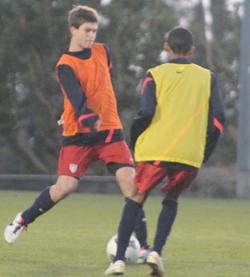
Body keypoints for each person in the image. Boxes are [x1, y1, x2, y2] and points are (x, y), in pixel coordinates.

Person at [4, 5, 149, 255]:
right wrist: (85, 115)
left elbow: (103, 83)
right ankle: (23, 219)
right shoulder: (65, 65)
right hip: (78, 136)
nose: (91, 35)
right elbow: (75, 96)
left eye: (94, 30)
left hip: (110, 132)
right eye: (87, 30)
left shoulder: (103, 51)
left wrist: (101, 113)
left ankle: (146, 248)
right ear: (73, 29)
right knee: (65, 188)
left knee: (133, 188)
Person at [105, 27, 225, 276]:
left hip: (155, 153)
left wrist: (136, 139)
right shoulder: (208, 77)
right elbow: (218, 122)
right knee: (171, 200)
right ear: (192, 50)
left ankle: (118, 261)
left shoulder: (153, 75)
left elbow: (146, 112)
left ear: (166, 47)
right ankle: (156, 252)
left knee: (135, 199)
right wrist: (203, 152)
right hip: (189, 156)